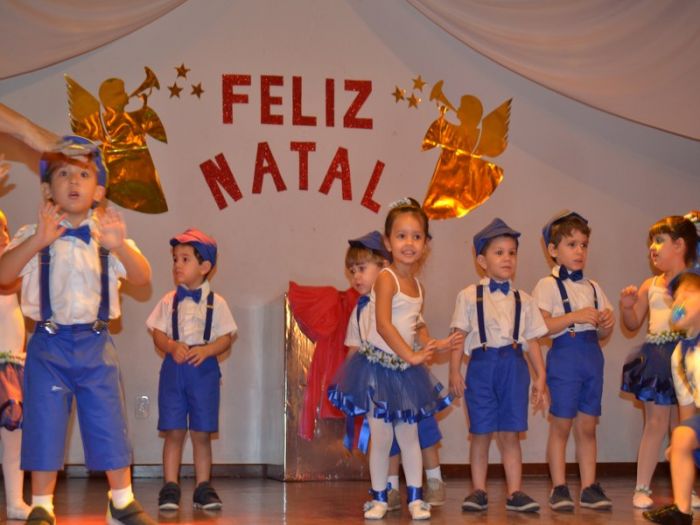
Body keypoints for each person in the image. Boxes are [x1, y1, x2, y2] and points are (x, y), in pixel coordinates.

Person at [0, 135, 154, 525]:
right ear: (47, 190)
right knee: (45, 422)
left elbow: (142, 278)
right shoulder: (32, 235)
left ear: (98, 191)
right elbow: (3, 275)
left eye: (83, 174)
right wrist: (38, 240)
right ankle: (42, 504)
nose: (73, 181)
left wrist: (120, 247)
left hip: (95, 344)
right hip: (48, 346)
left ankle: (121, 501)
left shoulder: (108, 237)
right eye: (63, 174)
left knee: (108, 419)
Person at [328, 198, 461, 520]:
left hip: (404, 371)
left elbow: (413, 328)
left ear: (425, 244)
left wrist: (434, 344)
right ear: (388, 242)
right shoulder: (386, 277)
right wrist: (412, 355)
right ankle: (379, 498)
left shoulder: (418, 286)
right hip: (378, 369)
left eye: (416, 236)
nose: (409, 243)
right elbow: (384, 325)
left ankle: (415, 497)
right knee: (382, 438)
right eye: (401, 236)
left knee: (410, 436)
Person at [449, 218, 548, 513]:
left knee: (510, 433)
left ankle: (515, 492)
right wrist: (454, 371)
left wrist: (541, 376)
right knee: (480, 432)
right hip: (481, 367)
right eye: (499, 252)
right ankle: (478, 490)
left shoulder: (525, 300)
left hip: (514, 368)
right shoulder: (468, 296)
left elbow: (532, 341)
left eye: (512, 253)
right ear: (482, 261)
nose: (507, 258)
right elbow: (458, 336)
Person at [343, 231, 446, 509]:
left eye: (362, 268)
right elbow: (354, 348)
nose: (356, 277)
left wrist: (428, 345)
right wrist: (349, 383)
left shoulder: (399, 295)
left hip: (407, 376)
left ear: (384, 267)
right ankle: (387, 490)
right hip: (376, 378)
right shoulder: (359, 310)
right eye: (352, 271)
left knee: (420, 431)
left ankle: (429, 484)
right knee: (383, 438)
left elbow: (417, 328)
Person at [146, 228, 236, 511]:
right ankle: (170, 486)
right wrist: (171, 346)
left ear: (205, 266)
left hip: (203, 372)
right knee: (173, 430)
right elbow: (157, 332)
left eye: (185, 259)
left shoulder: (217, 303)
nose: (177, 265)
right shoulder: (168, 300)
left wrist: (208, 350)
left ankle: (203, 487)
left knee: (201, 432)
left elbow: (226, 337)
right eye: (175, 259)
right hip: (173, 371)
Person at [532, 211, 615, 511]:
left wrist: (606, 323)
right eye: (571, 244)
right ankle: (559, 487)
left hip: (592, 358)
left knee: (588, 427)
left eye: (583, 245)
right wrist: (574, 316)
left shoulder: (593, 287)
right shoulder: (547, 285)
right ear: (553, 250)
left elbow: (603, 332)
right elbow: (540, 326)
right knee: (561, 426)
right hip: (565, 358)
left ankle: (589, 487)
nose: (579, 251)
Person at [621, 215, 699, 508]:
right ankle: (642, 486)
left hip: (687, 358)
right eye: (651, 243)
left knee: (684, 425)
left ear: (679, 245)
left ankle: (685, 489)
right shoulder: (650, 285)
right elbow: (633, 323)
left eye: (659, 241)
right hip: (657, 359)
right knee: (655, 423)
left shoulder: (694, 283)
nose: (652, 248)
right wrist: (627, 308)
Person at [643, 268, 700, 525]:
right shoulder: (680, 355)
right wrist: (680, 441)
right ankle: (682, 510)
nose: (678, 304)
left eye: (687, 296)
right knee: (682, 436)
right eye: (675, 299)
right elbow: (687, 405)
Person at [0, 206, 31, 520]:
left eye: (4, 228)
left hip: (10, 367)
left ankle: (15, 501)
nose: (2, 234)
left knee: (14, 438)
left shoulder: (11, 266)